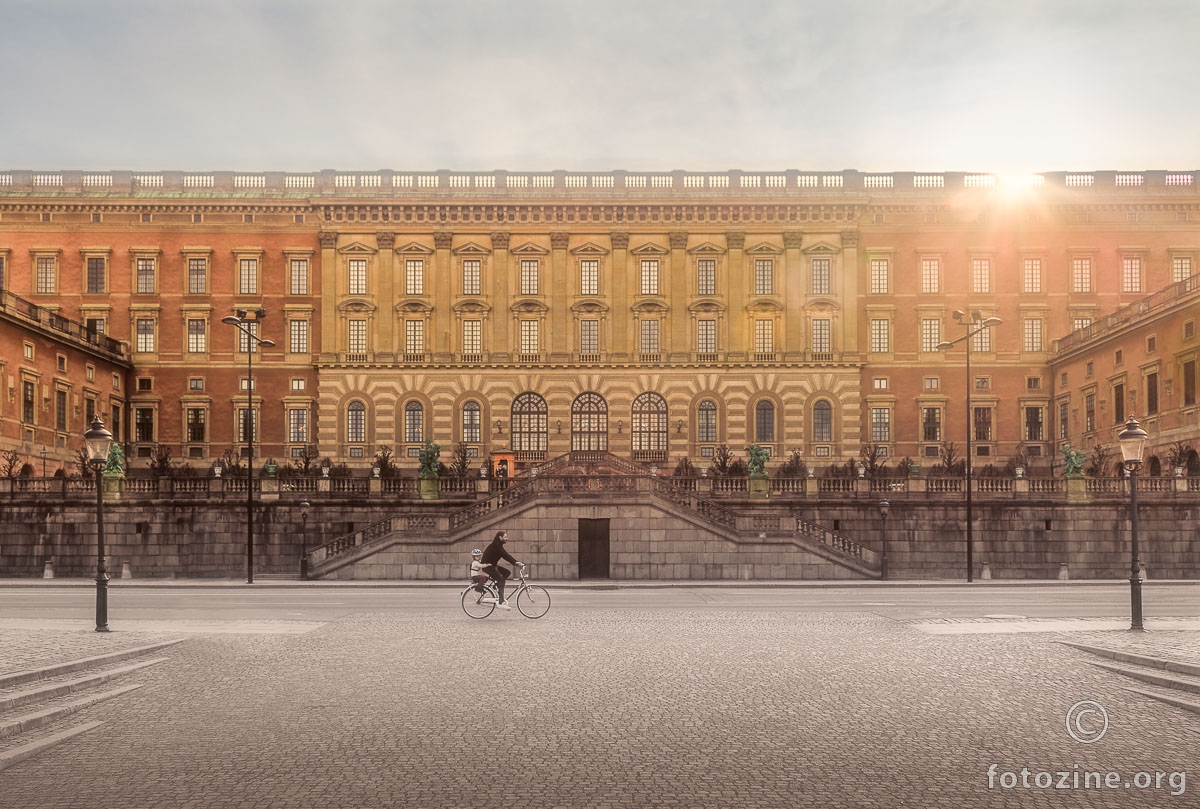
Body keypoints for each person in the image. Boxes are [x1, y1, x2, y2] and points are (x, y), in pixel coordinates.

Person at [479, 530, 523, 609]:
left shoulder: (498, 545)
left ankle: (497, 585)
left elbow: (506, 555)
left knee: (507, 573)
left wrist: (516, 563)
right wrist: (516, 563)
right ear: (500, 537)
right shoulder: (496, 546)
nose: (507, 538)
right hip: (487, 566)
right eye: (505, 537)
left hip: (492, 566)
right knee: (501, 580)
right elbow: (506, 556)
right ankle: (501, 601)